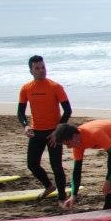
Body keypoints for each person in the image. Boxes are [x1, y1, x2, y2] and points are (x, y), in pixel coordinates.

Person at [51, 120, 111, 215]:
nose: (68, 147)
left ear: (74, 136)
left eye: (68, 144)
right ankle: (107, 209)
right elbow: (77, 171)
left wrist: (108, 180)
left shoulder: (95, 133)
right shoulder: (77, 144)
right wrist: (73, 196)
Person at [17, 55, 71, 202]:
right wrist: (26, 125)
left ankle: (62, 197)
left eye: (43, 67)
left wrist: (57, 131)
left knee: (56, 166)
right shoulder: (26, 88)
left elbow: (67, 111)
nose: (41, 70)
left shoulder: (55, 87)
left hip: (54, 132)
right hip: (36, 132)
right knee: (32, 164)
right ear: (31, 71)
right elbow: (20, 112)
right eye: (37, 68)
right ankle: (48, 186)